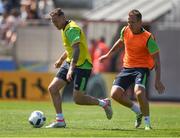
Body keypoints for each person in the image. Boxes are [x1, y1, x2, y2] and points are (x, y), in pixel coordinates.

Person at [46, 8, 112, 128]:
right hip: (70, 62)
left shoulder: (72, 29)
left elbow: (76, 49)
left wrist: (71, 68)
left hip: (82, 65)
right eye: (53, 22)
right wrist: (61, 60)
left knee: (78, 99)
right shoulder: (64, 28)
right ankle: (60, 120)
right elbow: (69, 49)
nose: (55, 24)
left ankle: (104, 103)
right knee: (53, 88)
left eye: (56, 21)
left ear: (62, 17)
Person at [99, 9, 165, 130]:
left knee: (139, 92)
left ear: (140, 22)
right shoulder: (125, 30)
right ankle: (138, 111)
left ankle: (147, 123)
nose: (129, 24)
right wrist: (108, 55)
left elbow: (157, 60)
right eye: (128, 21)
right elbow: (120, 42)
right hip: (127, 68)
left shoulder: (148, 38)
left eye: (132, 22)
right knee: (114, 94)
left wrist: (158, 80)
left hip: (142, 69)